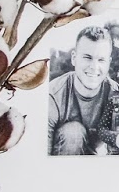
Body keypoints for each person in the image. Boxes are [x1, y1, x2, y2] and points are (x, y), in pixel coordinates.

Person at [48, 25, 114, 156]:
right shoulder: (54, 93)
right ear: (74, 58)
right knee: (73, 132)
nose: (94, 67)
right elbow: (42, 149)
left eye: (101, 60)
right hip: (64, 165)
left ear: (109, 63)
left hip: (99, 166)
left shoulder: (117, 95)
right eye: (87, 57)